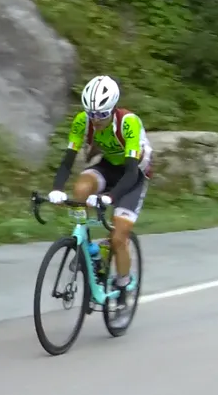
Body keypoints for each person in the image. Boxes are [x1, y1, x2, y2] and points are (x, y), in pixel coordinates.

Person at [46, 75, 151, 302]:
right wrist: (56, 188)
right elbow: (68, 160)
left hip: (133, 173)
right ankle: (89, 248)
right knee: (81, 187)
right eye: (91, 114)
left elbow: (131, 172)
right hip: (109, 166)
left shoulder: (128, 123)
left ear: (112, 109)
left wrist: (109, 198)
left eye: (101, 115)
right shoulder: (82, 121)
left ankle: (124, 283)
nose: (95, 120)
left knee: (118, 237)